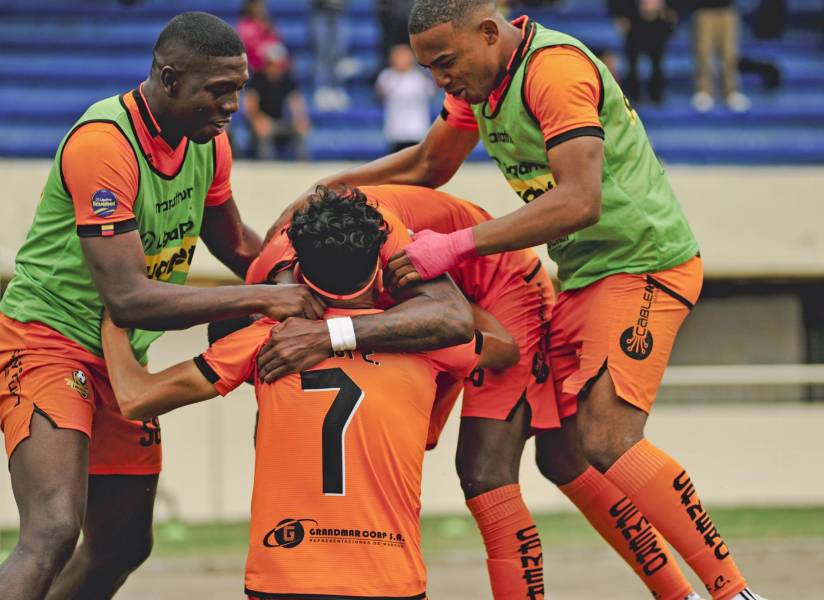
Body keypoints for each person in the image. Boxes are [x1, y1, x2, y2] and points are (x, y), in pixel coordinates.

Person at [267, 2, 768, 599]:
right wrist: (331, 188)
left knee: (607, 437)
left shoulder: (552, 71)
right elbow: (431, 162)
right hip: (581, 274)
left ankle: (733, 591)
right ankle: (676, 594)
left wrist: (453, 246)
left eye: (445, 62)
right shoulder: (481, 84)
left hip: (642, 262)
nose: (439, 80)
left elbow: (581, 201)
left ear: (488, 31)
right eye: (428, 69)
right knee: (563, 458)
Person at [0, 11, 471, 600]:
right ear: (169, 79)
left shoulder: (208, 144)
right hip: (48, 340)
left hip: (116, 350)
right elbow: (127, 298)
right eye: (219, 91)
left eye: (240, 89)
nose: (232, 106)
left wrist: (315, 292)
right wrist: (273, 297)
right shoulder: (104, 144)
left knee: (122, 544)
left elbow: (239, 249)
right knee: (52, 530)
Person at [252, 184, 699, 600]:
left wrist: (334, 332)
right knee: (563, 458)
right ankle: (680, 595)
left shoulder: (383, 239)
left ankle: (693, 593)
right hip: (444, 301)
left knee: (485, 471)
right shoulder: (269, 283)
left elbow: (461, 325)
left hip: (502, 290)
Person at [99, 189, 519, 599]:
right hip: (389, 579)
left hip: (283, 576)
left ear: (299, 267)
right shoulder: (429, 342)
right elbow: (505, 345)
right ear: (380, 266)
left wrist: (116, 312)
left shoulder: (267, 338)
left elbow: (136, 397)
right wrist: (425, 281)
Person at [244, 43, 311, 159]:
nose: (275, 68)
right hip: (263, 121)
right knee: (264, 130)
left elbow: (296, 101)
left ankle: (303, 165)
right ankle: (266, 166)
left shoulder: (287, 79)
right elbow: (250, 104)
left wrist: (300, 118)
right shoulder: (257, 79)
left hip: (280, 122)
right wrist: (258, 119)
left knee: (300, 128)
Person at [609, 0, 677, 104]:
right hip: (632, 17)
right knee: (632, 61)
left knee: (657, 60)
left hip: (660, 18)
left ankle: (656, 95)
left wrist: (668, 8)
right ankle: (633, 95)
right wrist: (620, 14)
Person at [691, 0, 751, 113]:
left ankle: (731, 92)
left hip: (727, 10)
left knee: (730, 54)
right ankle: (703, 91)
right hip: (703, 11)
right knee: (703, 53)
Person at [376, 45, 436, 152]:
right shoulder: (387, 77)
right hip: (396, 131)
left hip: (416, 130)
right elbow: (380, 93)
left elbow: (432, 91)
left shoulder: (419, 78)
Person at [237, 0, 282, 73]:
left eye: (261, 5)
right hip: (255, 69)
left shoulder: (269, 24)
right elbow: (249, 49)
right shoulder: (244, 26)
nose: (259, 8)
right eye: (256, 5)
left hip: (272, 67)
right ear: (249, 7)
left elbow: (277, 43)